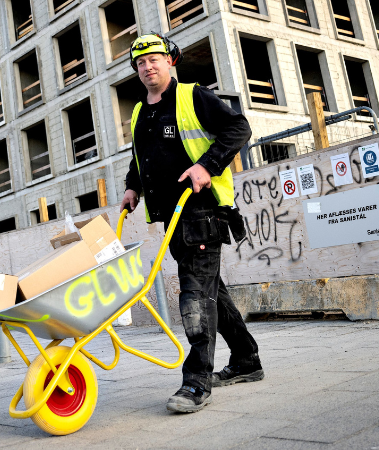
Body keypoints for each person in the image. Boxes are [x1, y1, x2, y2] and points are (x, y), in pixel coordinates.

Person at [120, 33, 263, 413]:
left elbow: (238, 128)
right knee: (212, 291)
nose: (147, 67)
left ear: (170, 61)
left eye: (154, 59)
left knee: (195, 295)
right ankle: (247, 359)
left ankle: (197, 381)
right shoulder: (140, 110)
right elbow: (142, 155)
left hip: (203, 212)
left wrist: (206, 166)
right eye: (140, 63)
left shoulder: (193, 96)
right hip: (172, 217)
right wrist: (133, 186)